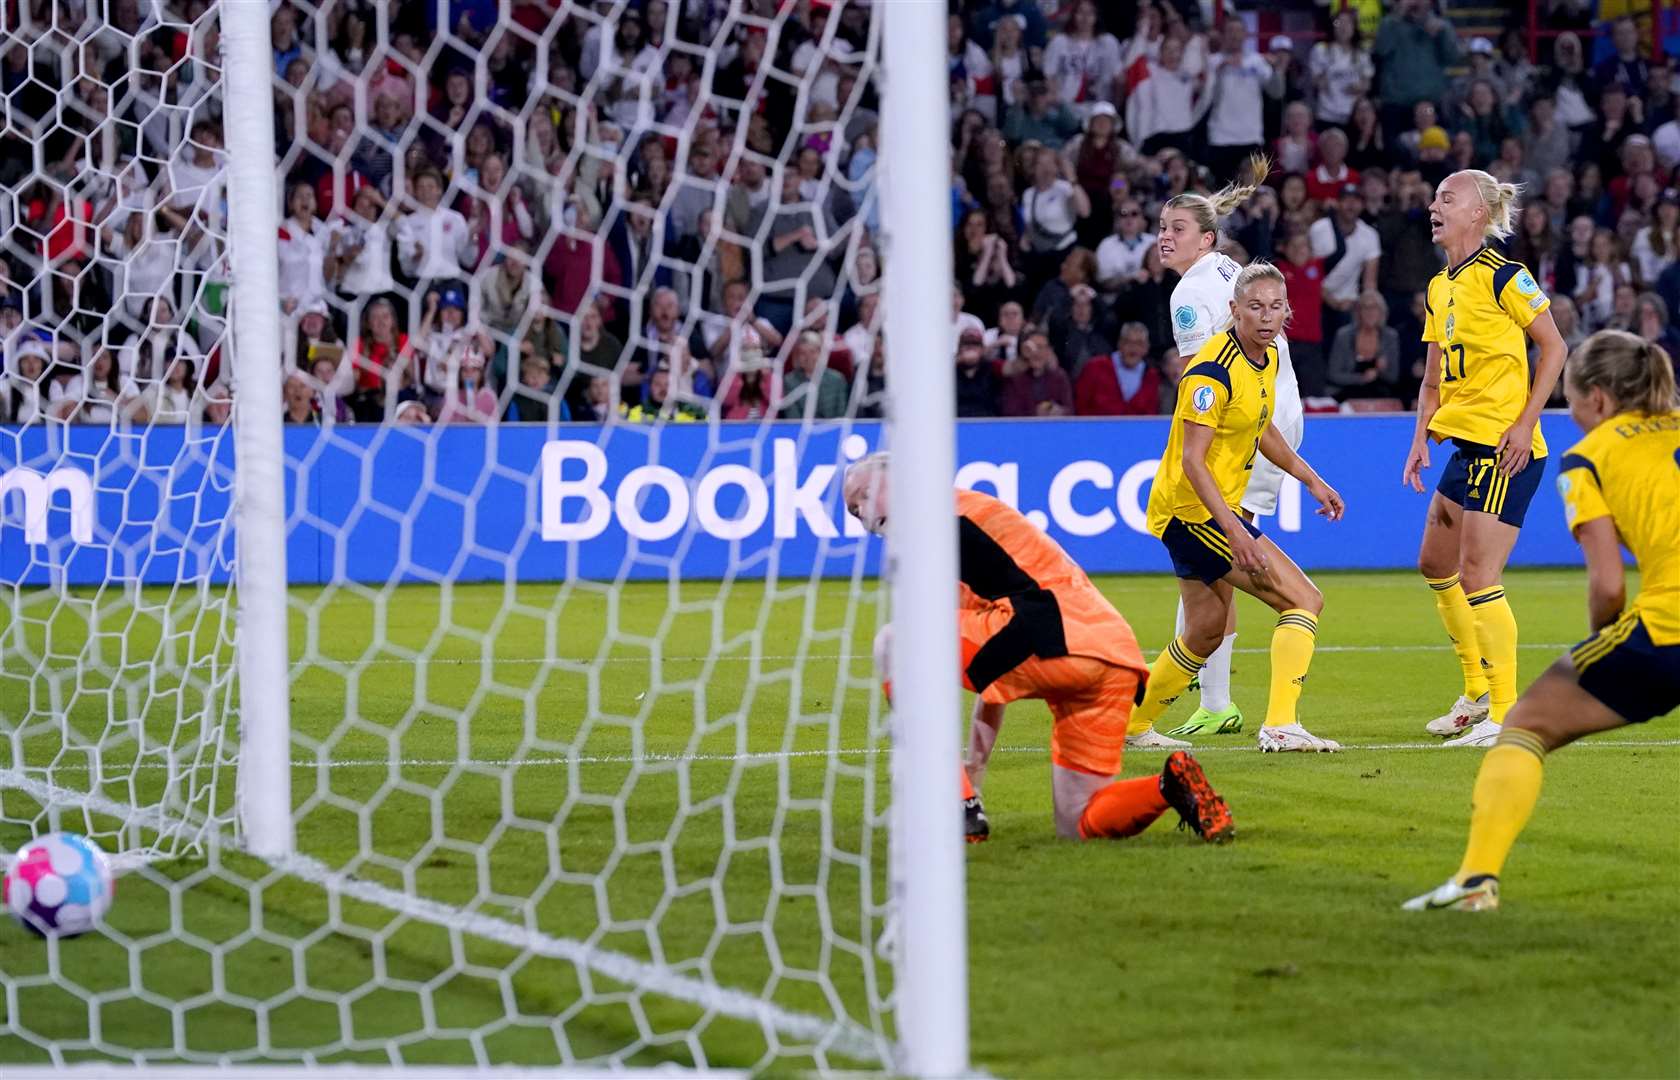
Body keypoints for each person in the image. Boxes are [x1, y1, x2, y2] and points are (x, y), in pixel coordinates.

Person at [1405, 331, 1678, 912]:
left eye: (1570, 399)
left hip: (1667, 631)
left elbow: (1608, 584)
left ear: (1598, 401)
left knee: (1526, 724)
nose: (1569, 411)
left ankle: (1476, 882)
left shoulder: (1591, 457)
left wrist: (1601, 643)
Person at [844, 454, 1234, 845]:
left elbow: (986, 645)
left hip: (1047, 631)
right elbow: (991, 666)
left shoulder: (932, 520)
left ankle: (955, 806)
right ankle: (1171, 785)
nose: (859, 513)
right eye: (851, 509)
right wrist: (972, 772)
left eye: (861, 497)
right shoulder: (973, 517)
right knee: (1079, 821)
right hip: (1112, 654)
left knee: (895, 644)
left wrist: (960, 788)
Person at [1130, 263, 1346, 753]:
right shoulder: (1211, 371)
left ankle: (1129, 721)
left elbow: (1261, 427)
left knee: (1204, 632)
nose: (1266, 317)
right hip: (1195, 513)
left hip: (1204, 511)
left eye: (1275, 307)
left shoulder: (1264, 358)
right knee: (1303, 600)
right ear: (1234, 310)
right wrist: (1237, 532)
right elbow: (1192, 461)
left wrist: (1313, 480)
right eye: (1254, 307)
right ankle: (1281, 725)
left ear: (1288, 311)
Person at [1131, 157, 1305, 746]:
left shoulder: (1187, 294)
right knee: (1210, 569)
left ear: (1206, 238)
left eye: (1176, 228)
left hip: (1249, 430)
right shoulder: (1234, 271)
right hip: (1278, 413)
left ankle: (1214, 703)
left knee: (1215, 553)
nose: (1163, 236)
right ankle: (1212, 701)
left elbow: (1204, 383)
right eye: (1160, 225)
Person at [1403, 170, 1569, 747]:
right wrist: (1420, 437)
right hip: (1461, 442)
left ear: (1478, 212)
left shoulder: (1506, 276)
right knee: (1434, 564)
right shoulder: (1438, 286)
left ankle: (1506, 713)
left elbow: (1555, 346)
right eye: (1434, 198)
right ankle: (1476, 691)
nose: (1433, 205)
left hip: (1504, 448)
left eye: (1447, 197)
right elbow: (1431, 378)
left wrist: (1525, 424)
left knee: (1478, 575)